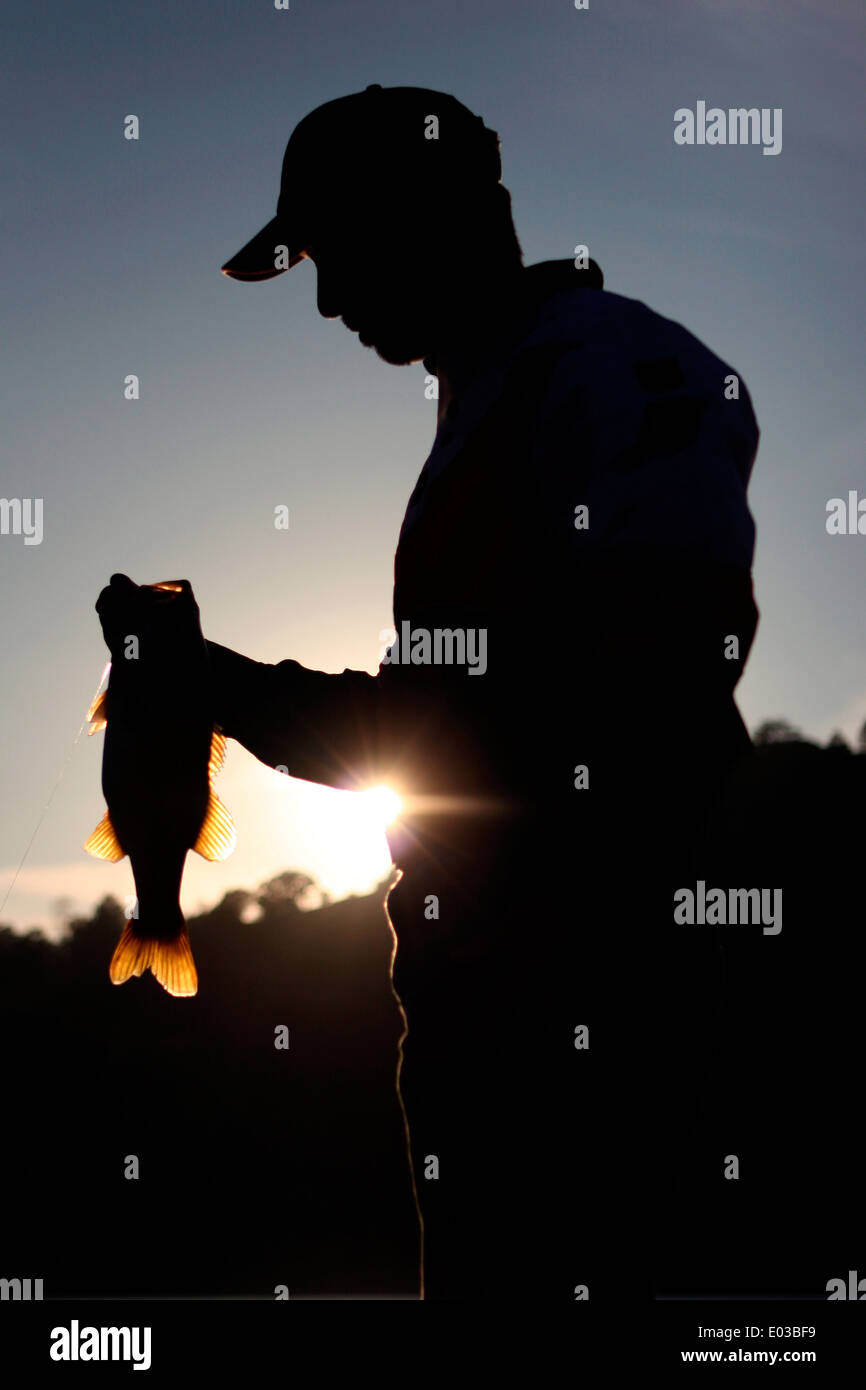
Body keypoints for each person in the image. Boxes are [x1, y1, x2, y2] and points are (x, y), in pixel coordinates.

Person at [102, 84, 761, 1299]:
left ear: (449, 215)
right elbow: (481, 715)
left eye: (337, 250)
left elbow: (633, 709)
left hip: (586, 1048)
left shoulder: (612, 372)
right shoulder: (495, 394)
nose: (328, 297)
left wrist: (231, 692)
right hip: (489, 1031)